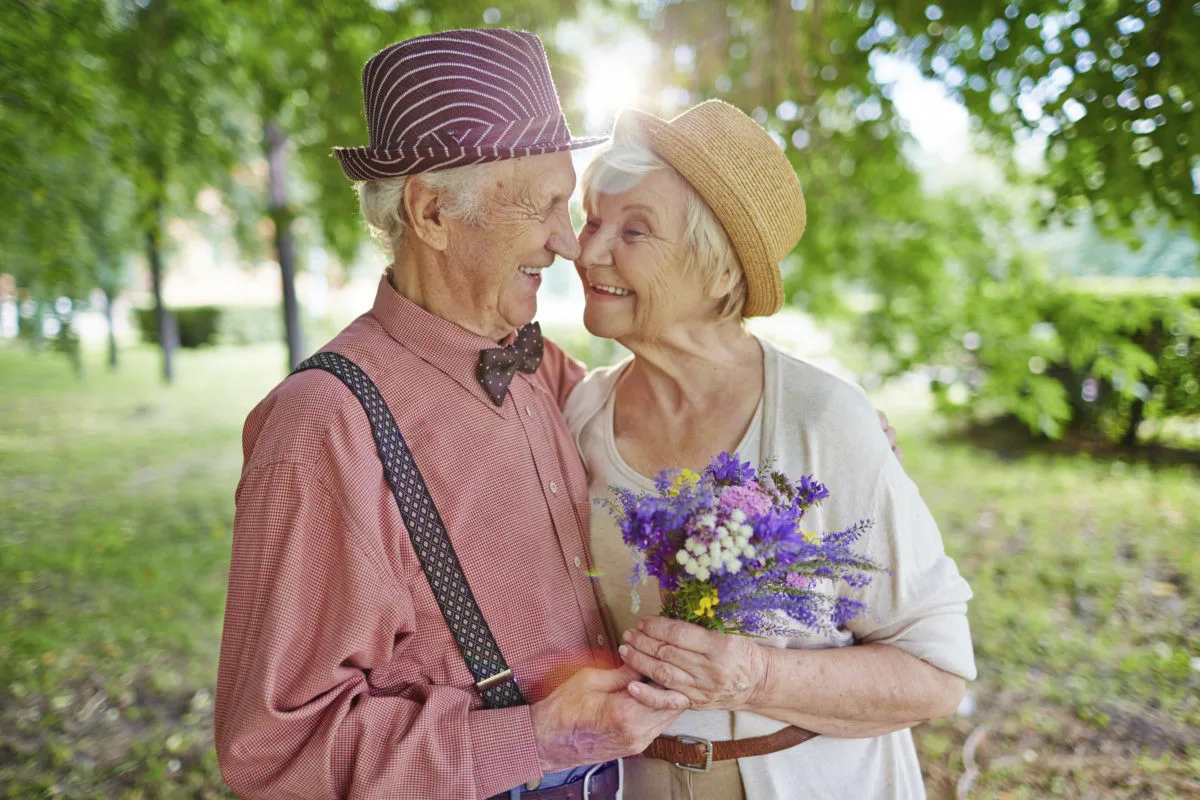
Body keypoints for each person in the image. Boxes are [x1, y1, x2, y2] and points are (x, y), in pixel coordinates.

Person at [214, 29, 692, 800]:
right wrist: (530, 738)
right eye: (542, 205)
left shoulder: (539, 364)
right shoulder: (321, 427)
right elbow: (273, 752)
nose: (570, 243)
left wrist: (793, 419)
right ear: (432, 211)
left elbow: (661, 412)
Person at [562, 100, 976, 799]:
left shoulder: (822, 419)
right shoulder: (581, 415)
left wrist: (756, 674)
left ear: (719, 272)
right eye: (594, 220)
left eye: (635, 231)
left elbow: (937, 674)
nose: (587, 250)